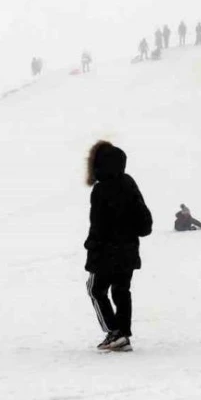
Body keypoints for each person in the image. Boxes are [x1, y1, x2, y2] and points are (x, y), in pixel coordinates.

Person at [84, 141, 153, 352]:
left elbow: (98, 224)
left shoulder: (100, 189)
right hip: (128, 250)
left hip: (105, 252)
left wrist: (91, 245)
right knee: (121, 291)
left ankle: (114, 331)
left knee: (95, 289)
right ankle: (122, 335)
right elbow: (144, 220)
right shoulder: (128, 182)